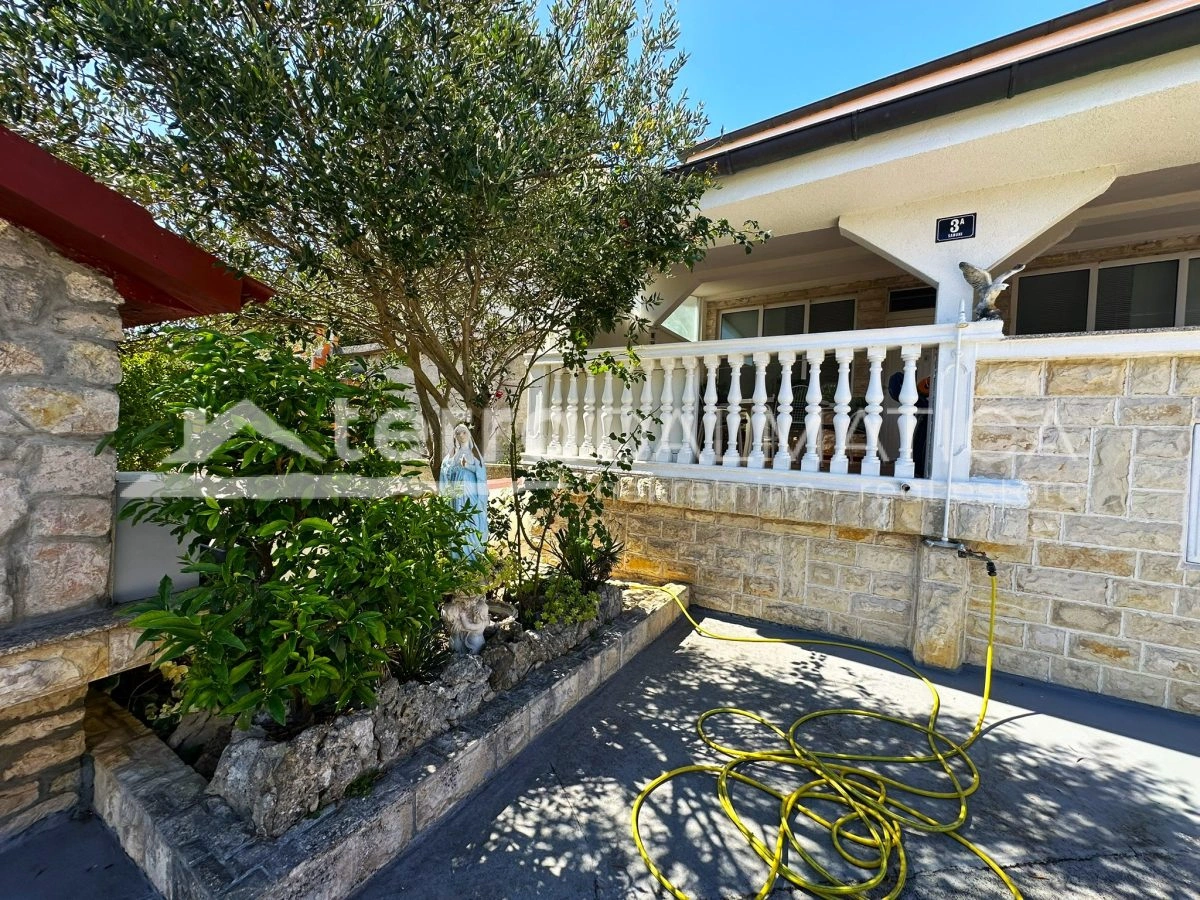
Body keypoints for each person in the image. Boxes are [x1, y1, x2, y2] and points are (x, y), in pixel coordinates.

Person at [438, 424, 489, 560]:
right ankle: (458, 558)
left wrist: (468, 466)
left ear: (468, 434)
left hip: (471, 491)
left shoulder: (474, 453)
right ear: (455, 436)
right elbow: (446, 472)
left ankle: (471, 557)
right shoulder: (453, 454)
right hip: (457, 492)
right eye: (458, 433)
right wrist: (453, 466)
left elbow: (481, 472)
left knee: (471, 519)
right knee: (458, 520)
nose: (461, 435)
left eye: (464, 432)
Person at [887, 372, 931, 477]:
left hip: (923, 414)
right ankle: (919, 470)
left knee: (920, 442)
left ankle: (919, 470)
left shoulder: (921, 393)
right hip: (921, 414)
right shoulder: (916, 394)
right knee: (919, 441)